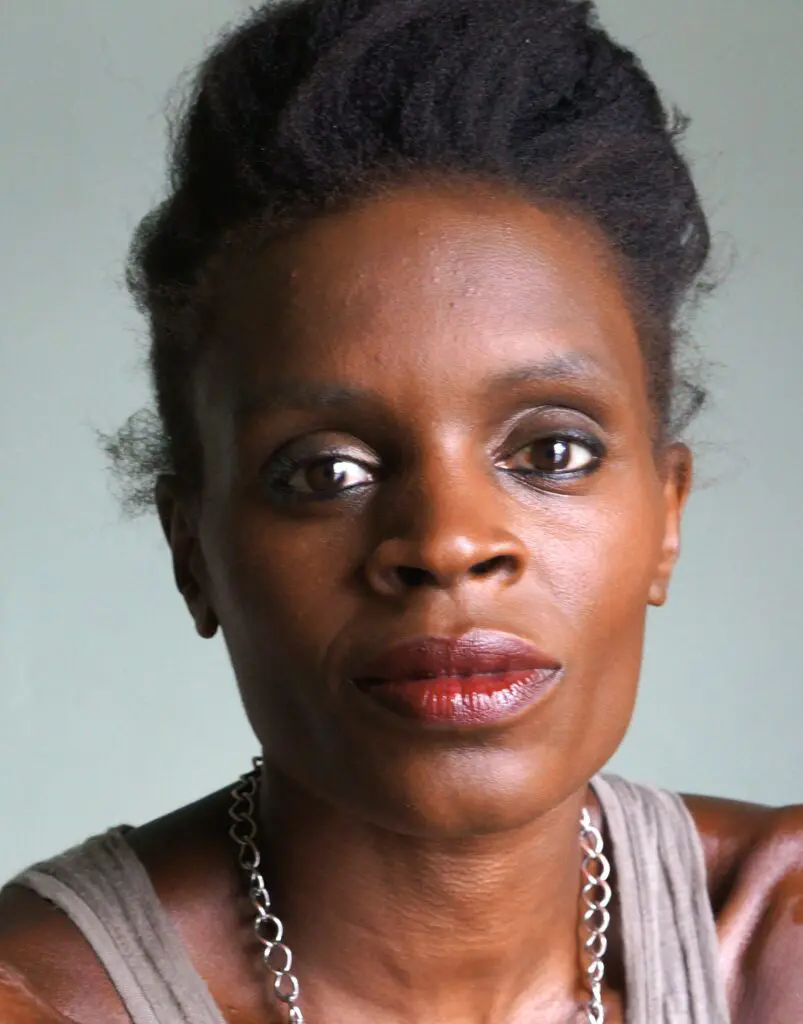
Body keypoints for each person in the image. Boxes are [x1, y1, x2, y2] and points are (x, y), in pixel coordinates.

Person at [1, 0, 800, 1020]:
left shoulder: (772, 939)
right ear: (191, 550)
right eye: (323, 471)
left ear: (665, 515)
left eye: (551, 450)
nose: (446, 543)